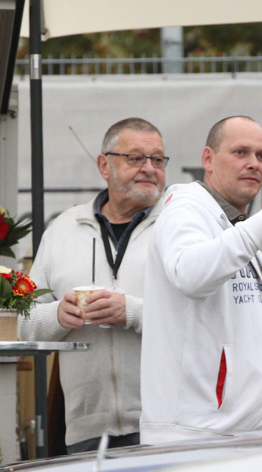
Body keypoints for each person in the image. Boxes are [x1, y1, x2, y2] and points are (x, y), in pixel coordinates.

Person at [140, 115, 262, 445]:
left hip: (243, 435)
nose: (254, 164)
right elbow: (190, 275)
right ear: (208, 159)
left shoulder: (236, 224)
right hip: (196, 438)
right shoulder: (186, 210)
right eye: (240, 152)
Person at [19, 117, 167, 454]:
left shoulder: (178, 226)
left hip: (166, 424)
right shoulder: (62, 229)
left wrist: (132, 312)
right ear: (104, 165)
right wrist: (58, 316)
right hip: (85, 430)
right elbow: (23, 324)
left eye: (158, 160)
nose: (149, 168)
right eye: (136, 158)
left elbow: (203, 320)